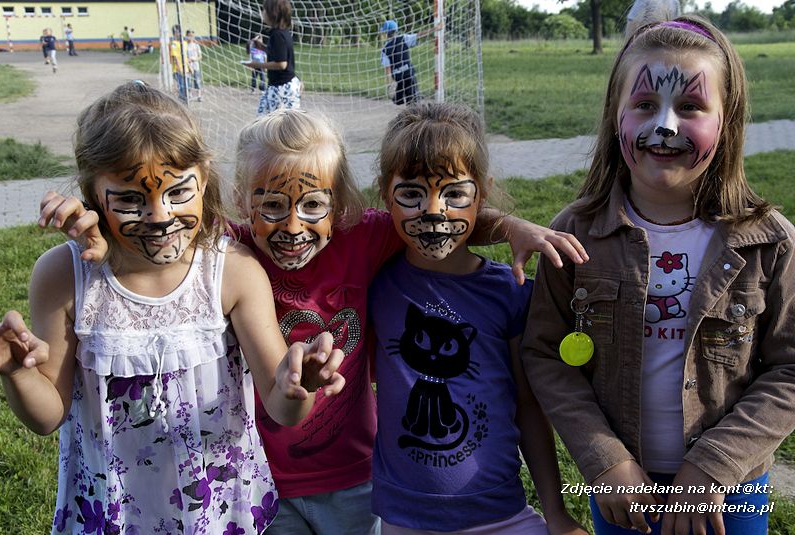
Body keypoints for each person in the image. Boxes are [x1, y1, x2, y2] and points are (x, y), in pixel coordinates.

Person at [43, 107, 588, 535]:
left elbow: (433, 213)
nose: (292, 227)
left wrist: (510, 224)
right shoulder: (225, 252)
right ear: (238, 201)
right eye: (272, 206)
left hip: (357, 479)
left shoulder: (364, 237)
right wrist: (98, 224)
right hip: (260, 481)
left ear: (342, 204)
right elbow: (160, 235)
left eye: (312, 206)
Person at [0, 81, 346, 534]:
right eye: (130, 199)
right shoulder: (63, 277)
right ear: (92, 194)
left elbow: (282, 408)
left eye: (179, 192)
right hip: (112, 512)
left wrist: (302, 385)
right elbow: (47, 416)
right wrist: (19, 372)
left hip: (219, 512)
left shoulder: (232, 271)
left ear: (204, 180)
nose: (160, 215)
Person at [522, 11, 795, 535]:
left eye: (690, 106)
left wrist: (712, 468)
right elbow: (543, 352)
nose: (664, 125)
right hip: (621, 483)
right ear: (615, 113)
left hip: (730, 488)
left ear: (728, 118)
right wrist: (604, 461)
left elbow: (789, 367)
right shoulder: (575, 233)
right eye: (644, 104)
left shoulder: (770, 241)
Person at [368, 102, 588, 535]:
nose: (434, 211)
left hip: (500, 513)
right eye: (412, 194)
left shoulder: (510, 291)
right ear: (384, 192)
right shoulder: (374, 277)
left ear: (481, 195)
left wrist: (557, 512)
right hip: (403, 518)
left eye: (454, 195)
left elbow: (528, 405)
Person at [247, 0, 301, 115]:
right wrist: (262, 48)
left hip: (282, 88)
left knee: (277, 124)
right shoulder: (280, 32)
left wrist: (257, 65)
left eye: (264, 9)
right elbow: (277, 54)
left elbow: (282, 64)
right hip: (279, 85)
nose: (263, 12)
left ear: (273, 13)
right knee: (263, 120)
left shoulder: (277, 35)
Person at [379, 20, 432, 106]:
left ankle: (398, 98)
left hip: (398, 78)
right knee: (413, 100)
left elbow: (387, 69)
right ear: (396, 31)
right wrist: (435, 29)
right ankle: (413, 104)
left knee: (399, 99)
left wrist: (390, 84)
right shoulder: (403, 38)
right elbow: (419, 35)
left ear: (386, 33)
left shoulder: (384, 49)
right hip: (409, 75)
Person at [169, 24, 189, 103]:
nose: (179, 34)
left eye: (180, 32)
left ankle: (185, 99)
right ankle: (182, 100)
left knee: (187, 85)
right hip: (178, 68)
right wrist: (178, 67)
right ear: (174, 33)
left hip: (186, 68)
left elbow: (186, 55)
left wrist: (189, 66)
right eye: (177, 32)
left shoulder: (184, 43)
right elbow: (174, 57)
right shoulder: (173, 43)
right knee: (181, 85)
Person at [186, 30, 203, 102]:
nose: (191, 37)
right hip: (188, 66)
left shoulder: (196, 45)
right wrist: (188, 61)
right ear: (186, 36)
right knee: (188, 80)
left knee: (197, 80)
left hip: (195, 65)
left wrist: (194, 59)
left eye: (192, 36)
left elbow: (200, 56)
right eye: (189, 36)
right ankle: (189, 95)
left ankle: (199, 95)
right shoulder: (185, 45)